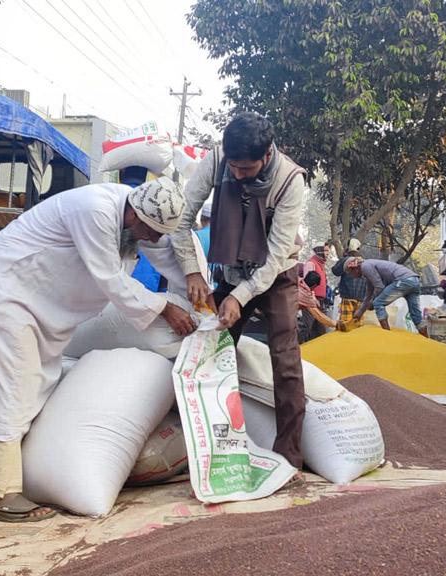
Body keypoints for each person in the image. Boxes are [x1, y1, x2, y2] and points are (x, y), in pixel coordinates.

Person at [0, 178, 194, 522]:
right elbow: (110, 279)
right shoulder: (95, 209)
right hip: (9, 289)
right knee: (11, 385)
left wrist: (196, 284)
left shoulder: (134, 217)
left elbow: (164, 253)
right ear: (136, 215)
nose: (152, 241)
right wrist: (165, 307)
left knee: (34, 383)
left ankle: (4, 476)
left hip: (37, 300)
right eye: (150, 232)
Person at [170, 112, 307, 479]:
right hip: (231, 269)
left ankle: (290, 455)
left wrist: (240, 297)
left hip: (275, 276)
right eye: (234, 168)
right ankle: (206, 444)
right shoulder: (216, 162)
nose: (238, 176)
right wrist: (193, 270)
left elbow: (278, 253)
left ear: (266, 157)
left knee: (286, 359)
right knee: (213, 349)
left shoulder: (290, 180)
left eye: (246, 169)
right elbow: (182, 222)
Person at [345, 256, 423, 331]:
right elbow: (368, 295)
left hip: (403, 280)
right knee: (416, 316)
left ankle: (386, 334)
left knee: (378, 303)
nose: (352, 277)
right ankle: (426, 339)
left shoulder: (365, 266)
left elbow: (379, 287)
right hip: (414, 280)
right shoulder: (368, 269)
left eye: (350, 274)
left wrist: (373, 302)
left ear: (354, 269)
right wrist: (359, 312)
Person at [331, 239, 365, 328]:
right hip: (361, 299)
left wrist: (343, 259)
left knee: (345, 324)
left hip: (347, 297)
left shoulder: (346, 260)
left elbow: (335, 271)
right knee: (358, 325)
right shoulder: (363, 261)